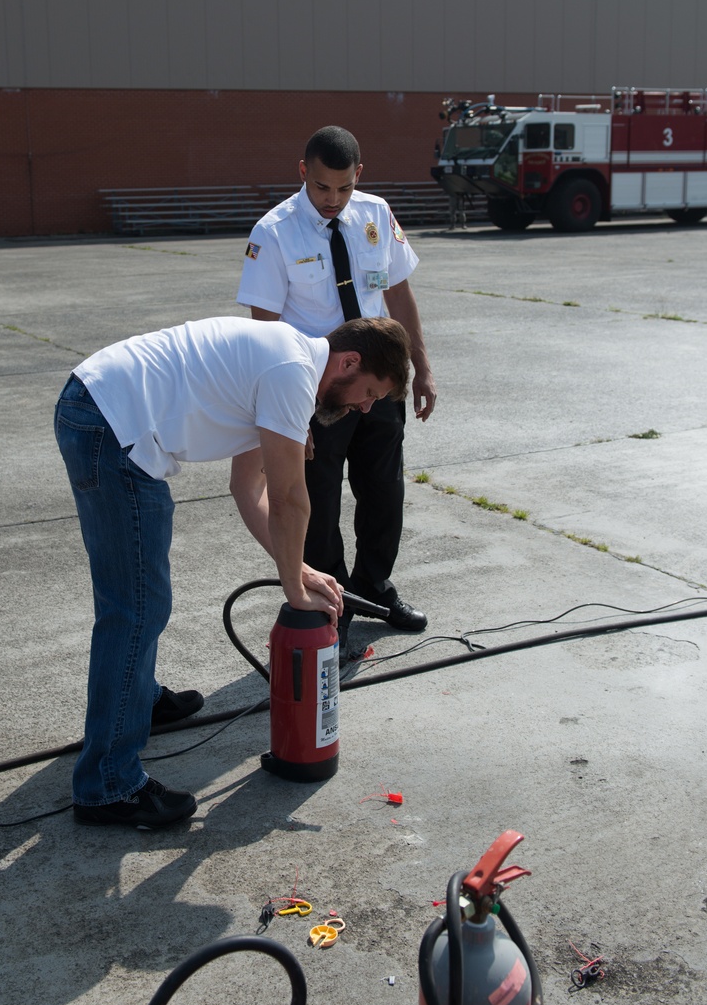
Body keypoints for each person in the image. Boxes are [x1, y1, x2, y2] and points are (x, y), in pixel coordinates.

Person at [55, 314, 411, 829]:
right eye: (370, 391)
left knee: (137, 594)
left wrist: (300, 568)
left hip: (104, 410)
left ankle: (135, 700)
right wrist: (294, 586)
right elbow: (291, 498)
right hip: (110, 423)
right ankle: (107, 784)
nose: (365, 406)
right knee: (135, 603)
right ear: (349, 362)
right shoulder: (290, 371)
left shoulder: (285, 366)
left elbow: (249, 490)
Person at [237, 125, 436, 647]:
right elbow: (265, 328)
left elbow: (400, 296)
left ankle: (376, 584)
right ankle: (334, 597)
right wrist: (285, 415)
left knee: (383, 487)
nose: (333, 199)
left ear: (359, 176)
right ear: (303, 172)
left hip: (377, 381)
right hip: (318, 390)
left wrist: (421, 367)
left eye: (344, 187)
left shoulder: (374, 214)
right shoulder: (275, 232)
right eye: (323, 187)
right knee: (318, 499)